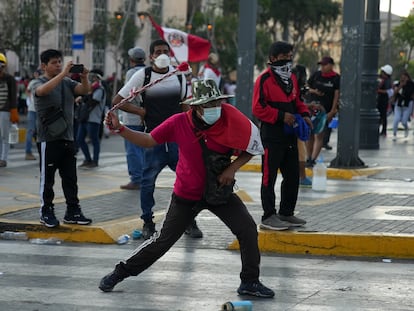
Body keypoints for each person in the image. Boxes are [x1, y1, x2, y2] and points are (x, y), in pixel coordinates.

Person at [99, 79, 275, 299]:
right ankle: (119, 272)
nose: (215, 109)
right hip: (187, 194)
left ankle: (250, 281)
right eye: (209, 105)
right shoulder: (178, 122)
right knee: (162, 242)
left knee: (248, 228)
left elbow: (252, 146)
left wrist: (232, 168)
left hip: (218, 191)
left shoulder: (232, 118)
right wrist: (121, 129)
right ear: (196, 107)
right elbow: (148, 140)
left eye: (217, 103)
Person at [112, 39, 203, 239]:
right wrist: (140, 110)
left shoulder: (178, 75)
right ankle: (147, 222)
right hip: (153, 138)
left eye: (165, 51)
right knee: (148, 181)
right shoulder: (142, 76)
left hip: (178, 139)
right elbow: (117, 102)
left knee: (189, 180)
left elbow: (186, 105)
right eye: (158, 51)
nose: (162, 54)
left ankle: (190, 220)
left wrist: (192, 130)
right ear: (151, 56)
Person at [252, 41, 311, 231]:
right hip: (271, 136)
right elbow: (258, 108)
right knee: (269, 177)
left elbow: (297, 101)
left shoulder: (291, 79)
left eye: (290, 56)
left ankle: (286, 212)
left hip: (290, 136)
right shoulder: (263, 80)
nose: (288, 60)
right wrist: (280, 116)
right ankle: (268, 215)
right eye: (283, 57)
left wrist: (305, 115)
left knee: (292, 175)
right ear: (273, 59)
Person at [32, 49, 92, 228]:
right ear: (44, 66)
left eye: (60, 62)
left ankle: (73, 211)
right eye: (54, 63)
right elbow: (42, 91)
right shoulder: (38, 81)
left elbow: (84, 90)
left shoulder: (66, 82)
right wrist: (64, 73)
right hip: (48, 139)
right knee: (47, 179)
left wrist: (84, 77)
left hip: (68, 137)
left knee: (70, 178)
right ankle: (46, 212)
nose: (58, 65)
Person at [119, 47, 146, 190]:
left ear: (131, 60)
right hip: (145, 116)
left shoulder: (131, 72)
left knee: (132, 149)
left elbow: (128, 94)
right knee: (142, 148)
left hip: (132, 116)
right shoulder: (148, 72)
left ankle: (136, 179)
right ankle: (143, 177)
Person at [306, 56, 340, 165]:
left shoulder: (336, 78)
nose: (323, 67)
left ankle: (313, 159)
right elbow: (307, 86)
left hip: (324, 110)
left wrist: (333, 111)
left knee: (319, 134)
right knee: (309, 134)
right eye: (321, 65)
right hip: (312, 108)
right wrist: (314, 92)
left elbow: (336, 96)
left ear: (331, 65)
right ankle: (308, 157)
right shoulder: (316, 75)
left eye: (325, 65)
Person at [77, 69, 106, 168]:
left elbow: (94, 101)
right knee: (80, 139)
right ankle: (88, 159)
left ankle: (95, 160)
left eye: (94, 77)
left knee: (94, 140)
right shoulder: (91, 88)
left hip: (94, 118)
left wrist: (86, 97)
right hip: (85, 118)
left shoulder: (99, 89)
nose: (92, 79)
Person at [0, 52, 18, 167]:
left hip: (5, 110)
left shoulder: (9, 79)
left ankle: (3, 158)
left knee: (4, 135)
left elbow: (13, 95)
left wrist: (13, 111)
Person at [25, 69, 42, 161]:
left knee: (36, 132)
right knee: (32, 131)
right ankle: (28, 152)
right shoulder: (35, 82)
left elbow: (27, 91)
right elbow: (27, 91)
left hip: (37, 110)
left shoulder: (37, 82)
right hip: (33, 110)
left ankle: (32, 151)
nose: (35, 75)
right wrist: (30, 99)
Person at [391, 71, 414, 140]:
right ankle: (394, 134)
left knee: (404, 121)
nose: (403, 79)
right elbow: (395, 93)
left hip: (407, 104)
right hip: (399, 104)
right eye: (402, 78)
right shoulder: (398, 84)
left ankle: (406, 129)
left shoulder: (411, 84)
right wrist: (401, 86)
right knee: (396, 119)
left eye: (405, 78)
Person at [377, 64, 393, 137]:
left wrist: (378, 90)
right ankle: (381, 130)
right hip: (380, 100)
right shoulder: (383, 80)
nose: (381, 73)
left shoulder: (387, 81)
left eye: (383, 72)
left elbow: (388, 91)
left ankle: (383, 131)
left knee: (383, 116)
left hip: (383, 101)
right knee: (381, 116)